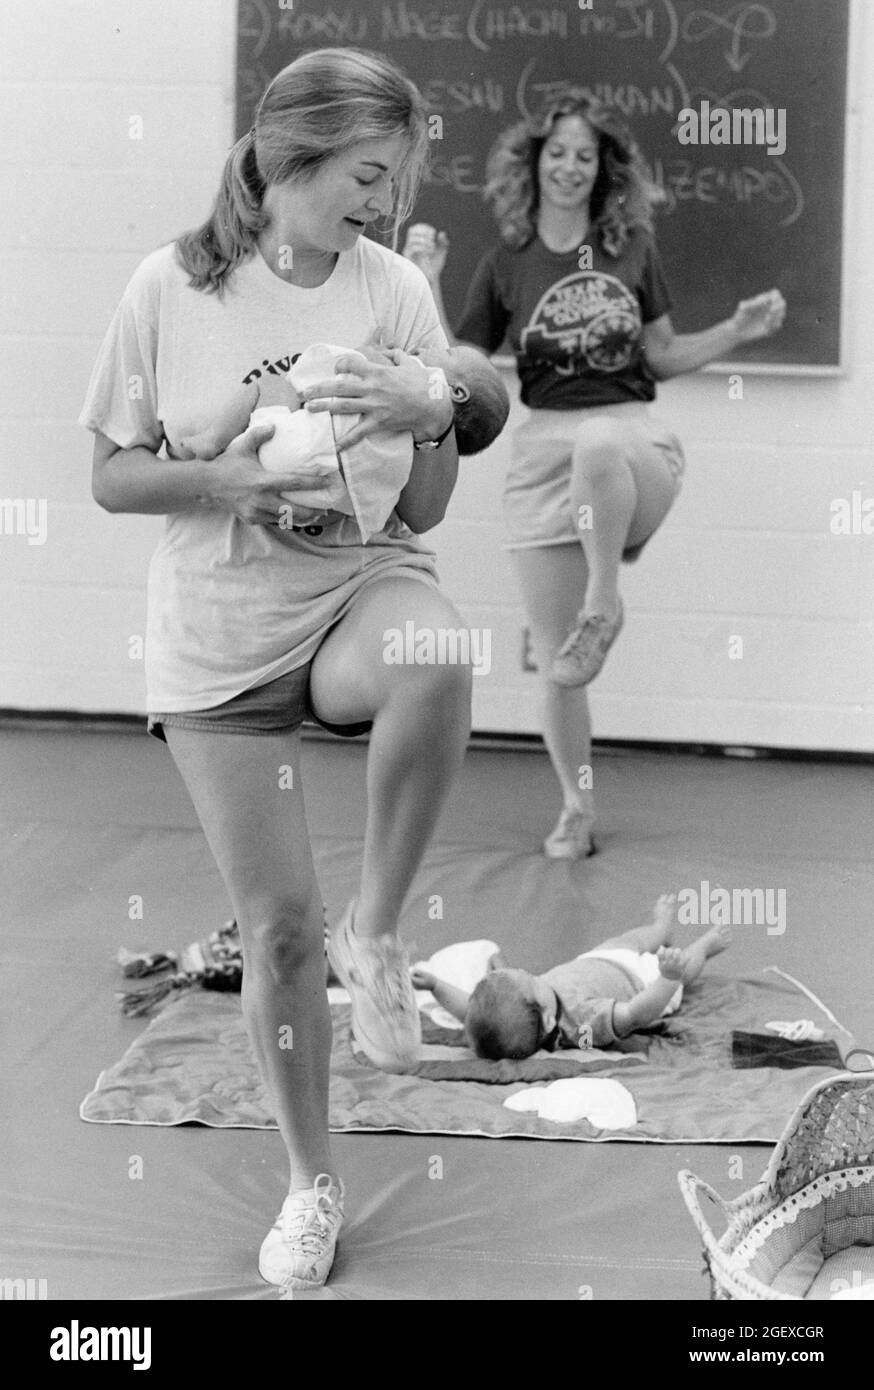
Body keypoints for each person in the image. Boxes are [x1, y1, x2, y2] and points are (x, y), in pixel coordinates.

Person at [79, 48, 491, 1296]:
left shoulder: (392, 289)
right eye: (369, 174)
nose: (384, 201)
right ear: (285, 158)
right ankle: (312, 1183)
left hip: (354, 591)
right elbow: (110, 474)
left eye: (398, 178)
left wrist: (432, 410)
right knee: (273, 926)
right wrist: (229, 477)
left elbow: (425, 503)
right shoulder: (172, 285)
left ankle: (377, 935)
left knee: (437, 647)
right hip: (218, 636)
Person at [403, 93, 786, 861]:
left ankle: (604, 600)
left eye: (586, 156)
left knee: (601, 441)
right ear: (535, 162)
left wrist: (736, 331)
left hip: (632, 446)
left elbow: (663, 357)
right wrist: (428, 280)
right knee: (557, 658)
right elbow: (463, 371)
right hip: (543, 456)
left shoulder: (631, 247)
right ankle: (577, 807)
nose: (571, 167)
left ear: (602, 170)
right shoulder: (505, 262)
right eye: (558, 153)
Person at [411, 893, 731, 1058]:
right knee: (686, 967)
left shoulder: (517, 1012)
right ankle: (705, 945)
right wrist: (667, 978)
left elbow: (471, 1011)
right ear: (549, 1020)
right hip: (643, 983)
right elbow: (635, 1014)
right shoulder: (583, 1023)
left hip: (598, 960)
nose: (529, 972)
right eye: (532, 980)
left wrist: (437, 986)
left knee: (633, 939)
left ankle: (661, 929)